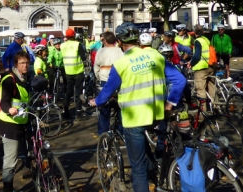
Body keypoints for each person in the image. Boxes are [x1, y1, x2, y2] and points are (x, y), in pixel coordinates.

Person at [89, 22, 186, 192]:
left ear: (119, 42)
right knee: (154, 148)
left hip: (134, 119)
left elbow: (107, 91)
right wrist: (170, 102)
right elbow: (180, 80)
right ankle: (160, 175)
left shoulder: (121, 64)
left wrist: (95, 102)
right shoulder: (156, 56)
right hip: (157, 113)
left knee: (138, 168)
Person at [0, 50, 31, 192]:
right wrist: (9, 109)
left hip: (22, 121)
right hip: (9, 125)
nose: (25, 65)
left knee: (29, 150)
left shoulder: (24, 78)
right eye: (22, 63)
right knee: (11, 160)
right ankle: (7, 188)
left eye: (27, 63)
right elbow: (3, 101)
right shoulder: (10, 80)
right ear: (16, 65)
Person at [93, 31, 123, 135]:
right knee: (120, 108)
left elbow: (96, 67)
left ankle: (103, 133)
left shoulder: (100, 51)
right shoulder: (120, 51)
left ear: (105, 40)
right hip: (119, 82)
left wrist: (98, 77)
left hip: (104, 81)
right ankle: (121, 131)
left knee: (104, 108)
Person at [187, 25, 215, 111]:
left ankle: (203, 112)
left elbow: (197, 56)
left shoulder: (198, 41)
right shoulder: (206, 39)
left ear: (195, 33)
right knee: (212, 87)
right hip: (210, 66)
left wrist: (191, 63)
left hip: (201, 69)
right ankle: (214, 107)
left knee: (200, 90)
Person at [61, 28, 87, 120]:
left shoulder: (62, 46)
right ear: (74, 35)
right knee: (78, 92)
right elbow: (83, 57)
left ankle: (66, 111)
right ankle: (78, 112)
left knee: (68, 91)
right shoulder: (77, 44)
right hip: (78, 71)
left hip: (68, 71)